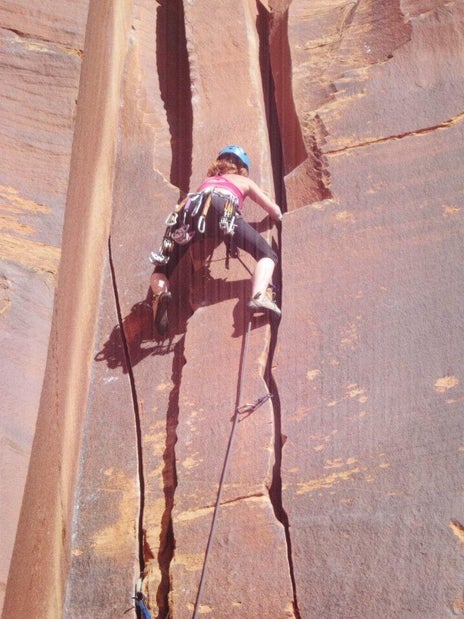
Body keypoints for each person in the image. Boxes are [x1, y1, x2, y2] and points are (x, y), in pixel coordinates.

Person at [150, 145, 283, 334]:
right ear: (242, 167)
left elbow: (200, 208)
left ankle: (160, 295)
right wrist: (279, 216)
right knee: (266, 254)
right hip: (222, 209)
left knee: (162, 268)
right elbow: (274, 211)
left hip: (187, 212)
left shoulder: (207, 181)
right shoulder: (243, 181)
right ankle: (259, 295)